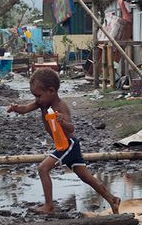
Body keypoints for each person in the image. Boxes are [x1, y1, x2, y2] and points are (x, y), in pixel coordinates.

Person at [7, 68, 121, 214]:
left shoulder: (60, 106)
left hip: (68, 145)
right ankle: (112, 199)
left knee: (43, 169)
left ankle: (49, 206)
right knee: (87, 178)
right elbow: (25, 109)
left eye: (38, 95)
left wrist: (62, 121)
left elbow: (71, 128)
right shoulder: (42, 103)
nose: (36, 99)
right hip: (66, 146)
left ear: (51, 91)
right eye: (35, 96)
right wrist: (16, 108)